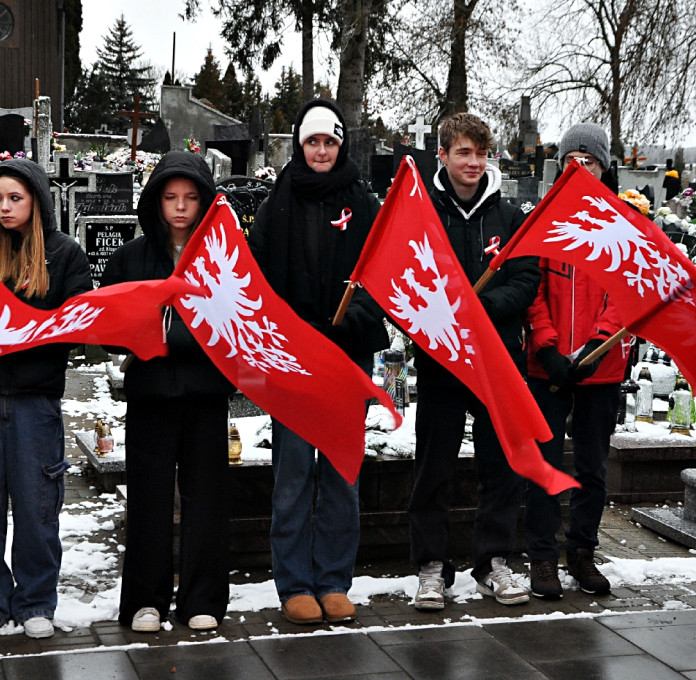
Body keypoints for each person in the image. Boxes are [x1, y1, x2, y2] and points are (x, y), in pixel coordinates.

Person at [248, 99, 389, 625]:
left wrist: (356, 316)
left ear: (341, 144)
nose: (322, 151)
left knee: (339, 473)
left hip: (346, 355)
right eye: (313, 142)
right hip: (292, 357)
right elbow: (255, 272)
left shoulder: (362, 200)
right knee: (291, 472)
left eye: (329, 141)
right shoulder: (278, 201)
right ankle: (294, 582)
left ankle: (333, 579)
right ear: (300, 145)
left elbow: (382, 272)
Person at [0, 158, 91, 641]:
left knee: (37, 505)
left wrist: (26, 329)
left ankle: (34, 600)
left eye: (16, 198)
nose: (5, 208)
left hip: (35, 401)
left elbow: (76, 320)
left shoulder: (64, 254)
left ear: (36, 202)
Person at [409, 112, 540, 611]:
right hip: (442, 364)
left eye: (481, 154)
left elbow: (526, 280)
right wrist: (438, 316)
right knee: (433, 467)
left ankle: (493, 562)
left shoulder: (508, 218)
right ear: (442, 155)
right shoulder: (423, 215)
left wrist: (480, 310)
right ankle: (430, 567)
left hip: (495, 362)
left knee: (501, 466)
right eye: (463, 152)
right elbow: (407, 282)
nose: (473, 163)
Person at [100, 151, 235, 632]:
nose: (180, 208)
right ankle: (145, 599)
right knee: (148, 499)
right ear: (156, 202)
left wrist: (172, 338)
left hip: (204, 394)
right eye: (171, 197)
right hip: (151, 394)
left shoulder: (223, 260)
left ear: (205, 202)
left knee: (206, 498)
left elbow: (237, 324)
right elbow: (109, 326)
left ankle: (202, 599)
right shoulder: (131, 258)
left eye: (191, 198)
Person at [524, 123, 624, 599]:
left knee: (592, 470)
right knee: (545, 464)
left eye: (590, 162)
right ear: (560, 166)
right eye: (571, 161)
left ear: (605, 169)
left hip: (600, 368)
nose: (580, 169)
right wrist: (546, 347)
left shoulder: (622, 226)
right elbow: (533, 292)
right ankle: (542, 556)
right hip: (548, 368)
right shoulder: (545, 221)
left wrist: (595, 347)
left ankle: (582, 550)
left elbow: (626, 296)